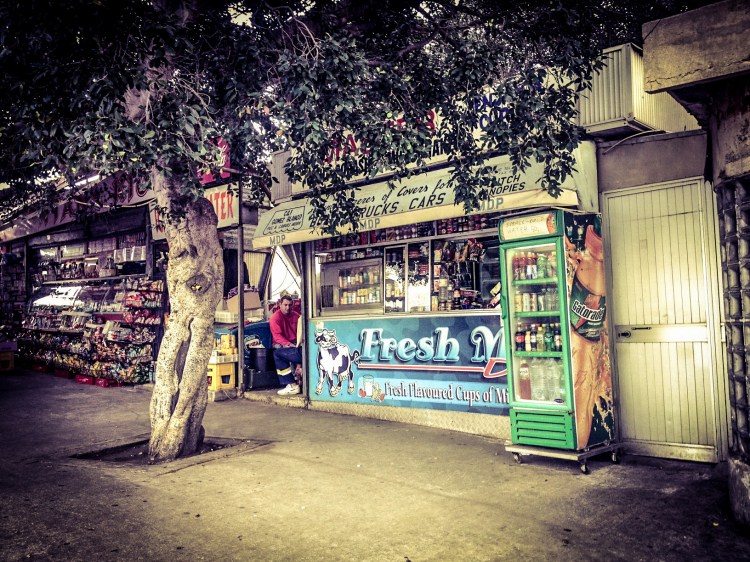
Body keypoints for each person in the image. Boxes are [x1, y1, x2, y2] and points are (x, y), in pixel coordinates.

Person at [270, 294, 302, 395]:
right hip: (282, 343)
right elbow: (277, 337)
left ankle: (293, 383)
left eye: (290, 305)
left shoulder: (297, 316)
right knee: (278, 350)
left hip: (297, 344)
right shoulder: (275, 318)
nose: (288, 307)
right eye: (285, 305)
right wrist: (289, 344)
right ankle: (290, 382)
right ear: (280, 304)